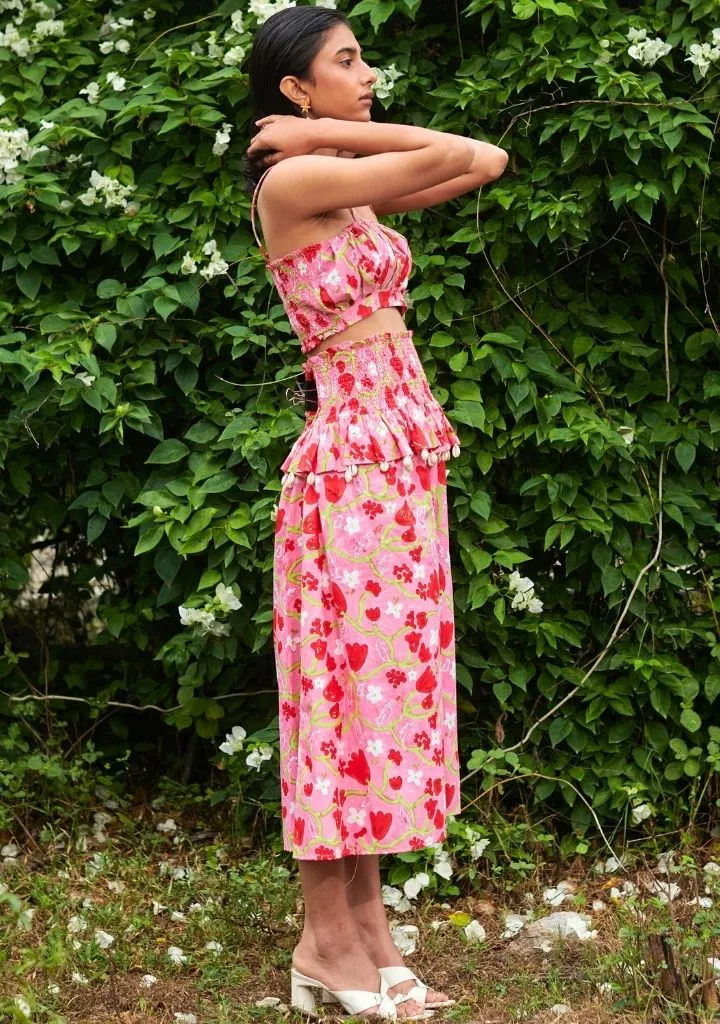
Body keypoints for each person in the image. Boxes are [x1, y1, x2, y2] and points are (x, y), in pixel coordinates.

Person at [245, 7, 507, 1019]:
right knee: (342, 705)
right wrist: (319, 139)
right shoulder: (295, 180)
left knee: (387, 705)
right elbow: (445, 150)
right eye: (345, 63)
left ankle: (371, 934)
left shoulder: (335, 178)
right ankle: (325, 943)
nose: (369, 74)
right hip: (348, 471)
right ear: (293, 89)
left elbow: (483, 158)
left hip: (397, 463)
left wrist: (327, 125)